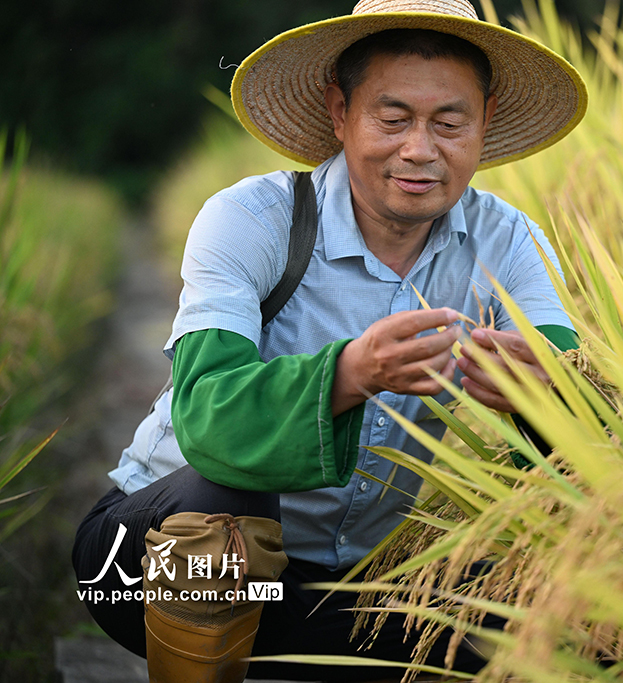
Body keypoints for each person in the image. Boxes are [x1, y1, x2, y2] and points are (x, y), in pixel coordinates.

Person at [72, 0, 587, 680]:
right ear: (340, 112)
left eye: (449, 122)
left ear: (485, 123)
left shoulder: (509, 241)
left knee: (546, 609)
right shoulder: (252, 220)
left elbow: (579, 417)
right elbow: (207, 410)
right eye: (393, 118)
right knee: (227, 506)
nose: (420, 149)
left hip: (344, 589)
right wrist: (349, 372)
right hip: (151, 560)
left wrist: (540, 397)